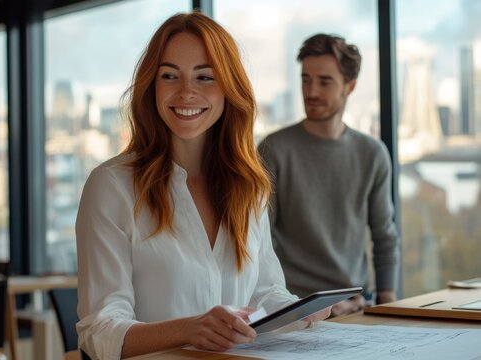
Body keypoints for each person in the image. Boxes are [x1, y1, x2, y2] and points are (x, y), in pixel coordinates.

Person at [76, 12, 330, 360]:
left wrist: (301, 311)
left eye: (205, 77)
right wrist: (189, 329)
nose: (186, 92)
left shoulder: (248, 186)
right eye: (170, 76)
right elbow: (99, 333)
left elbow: (266, 292)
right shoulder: (111, 186)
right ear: (152, 86)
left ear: (228, 88)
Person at [258, 34, 401, 317]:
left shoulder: (372, 153)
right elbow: (259, 242)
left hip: (357, 306)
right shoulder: (273, 149)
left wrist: (388, 305)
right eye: (305, 79)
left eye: (324, 81)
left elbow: (384, 235)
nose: (311, 91)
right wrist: (291, 307)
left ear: (350, 87)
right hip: (294, 308)